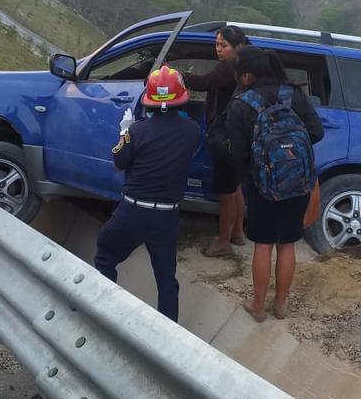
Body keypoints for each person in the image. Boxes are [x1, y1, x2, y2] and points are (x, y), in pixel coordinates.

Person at [94, 65, 201, 322]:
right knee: (166, 279)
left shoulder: (137, 131)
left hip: (132, 211)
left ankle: (101, 313)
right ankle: (167, 333)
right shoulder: (193, 131)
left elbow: (120, 161)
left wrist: (125, 131)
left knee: (105, 259)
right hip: (166, 216)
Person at [224, 46, 324, 322]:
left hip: (261, 185)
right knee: (288, 244)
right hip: (298, 183)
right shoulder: (294, 95)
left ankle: (257, 306)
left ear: (247, 75)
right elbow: (316, 132)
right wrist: (289, 154)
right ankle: (280, 305)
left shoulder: (242, 104)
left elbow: (236, 153)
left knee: (263, 245)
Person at [182, 25, 249, 258]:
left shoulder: (230, 65)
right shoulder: (245, 62)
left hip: (227, 136)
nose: (218, 49)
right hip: (240, 136)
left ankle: (223, 243)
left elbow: (205, 82)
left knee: (226, 192)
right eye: (217, 44)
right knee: (235, 186)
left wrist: (176, 75)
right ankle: (238, 233)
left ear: (238, 46)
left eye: (223, 45)